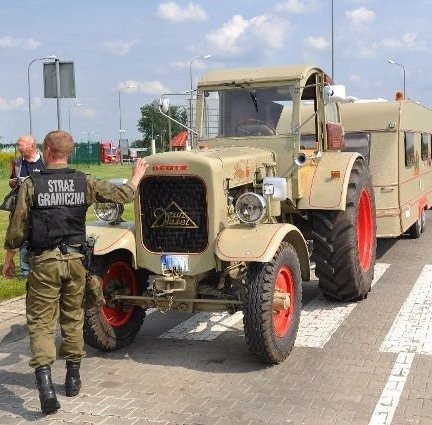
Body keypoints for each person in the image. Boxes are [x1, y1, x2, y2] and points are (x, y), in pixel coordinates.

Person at [2, 130, 148, 415]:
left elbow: (17, 228)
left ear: (46, 150)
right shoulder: (85, 181)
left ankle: (44, 385)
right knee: (73, 318)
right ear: (70, 151)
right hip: (76, 262)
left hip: (44, 263)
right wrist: (136, 175)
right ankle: (72, 378)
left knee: (42, 323)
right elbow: (125, 195)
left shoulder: (32, 184)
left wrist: (9, 259)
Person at [8, 135, 46, 277]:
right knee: (22, 235)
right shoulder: (17, 163)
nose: (18, 147)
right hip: (21, 205)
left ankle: (41, 266)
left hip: (41, 205)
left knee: (41, 234)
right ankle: (25, 271)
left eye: (20, 145)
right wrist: (13, 182)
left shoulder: (45, 160)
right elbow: (11, 180)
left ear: (31, 146)